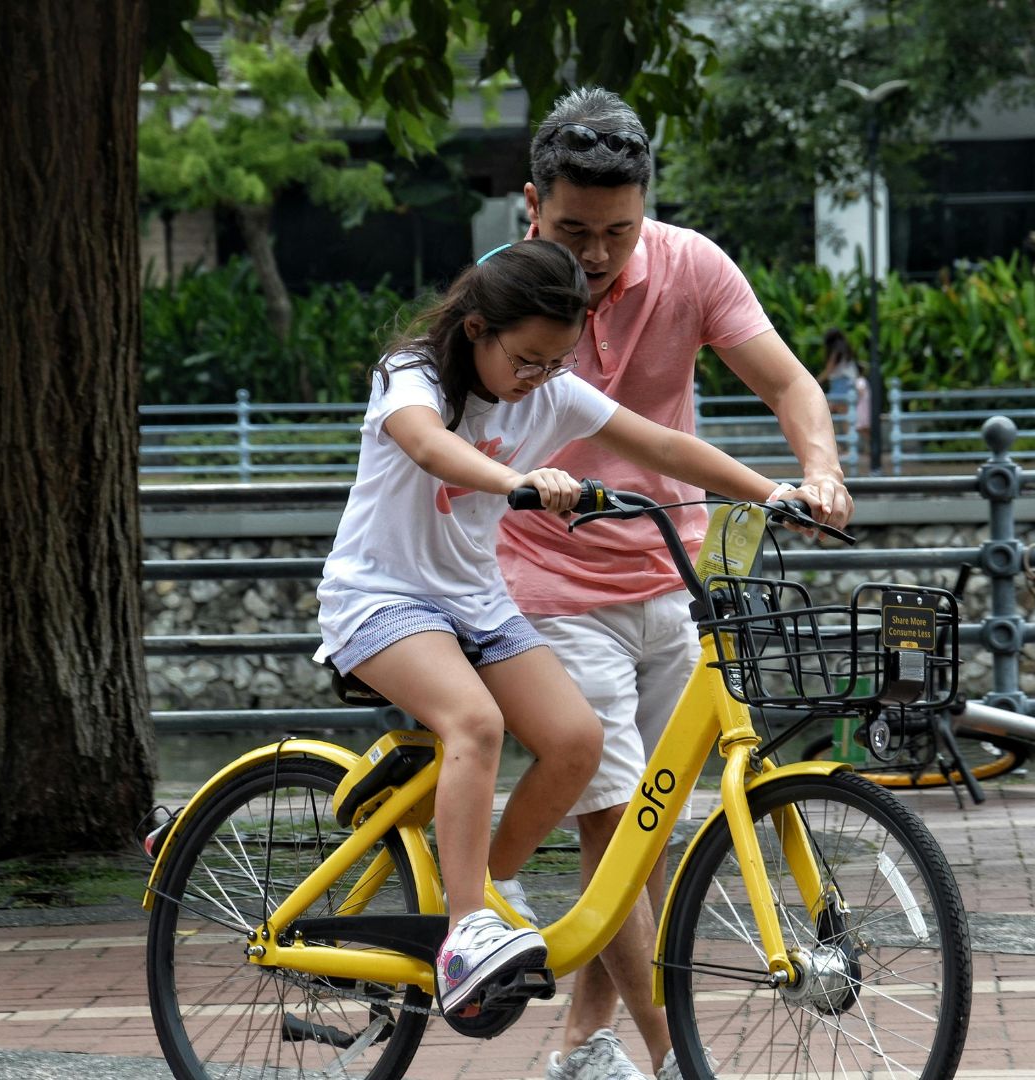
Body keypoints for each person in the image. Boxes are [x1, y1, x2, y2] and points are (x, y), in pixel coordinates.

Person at [312, 238, 818, 1024]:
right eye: (526, 360)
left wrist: (771, 492)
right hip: (381, 598)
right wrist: (517, 479)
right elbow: (428, 445)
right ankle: (464, 931)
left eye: (556, 363)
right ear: (477, 330)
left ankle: (489, 886)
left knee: (577, 741)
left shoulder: (550, 390)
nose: (539, 379)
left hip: (475, 602)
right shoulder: (411, 375)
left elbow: (663, 445)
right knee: (475, 723)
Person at [490, 88, 853, 1080]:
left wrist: (817, 470)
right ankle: (672, 1057)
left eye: (619, 230)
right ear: (533, 204)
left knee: (646, 833)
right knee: (616, 819)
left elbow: (787, 381)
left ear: (645, 206)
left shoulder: (692, 265)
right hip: (547, 581)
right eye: (574, 231)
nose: (598, 254)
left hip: (675, 573)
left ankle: (584, 1041)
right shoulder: (505, 290)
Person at [818, 327, 872, 470]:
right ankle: (846, 447)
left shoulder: (836, 351)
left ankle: (846, 448)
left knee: (833, 416)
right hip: (845, 385)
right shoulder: (845, 349)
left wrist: (816, 381)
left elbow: (829, 369)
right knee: (837, 416)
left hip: (841, 385)